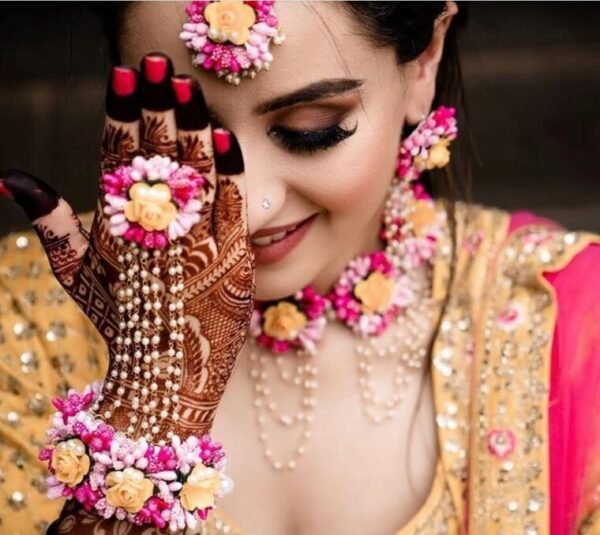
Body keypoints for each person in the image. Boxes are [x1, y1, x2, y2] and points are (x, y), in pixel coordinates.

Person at [0, 1, 598, 533]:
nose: (251, 207)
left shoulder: (571, 323)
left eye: (310, 131)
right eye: (187, 142)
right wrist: (144, 428)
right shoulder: (21, 310)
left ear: (423, 62)